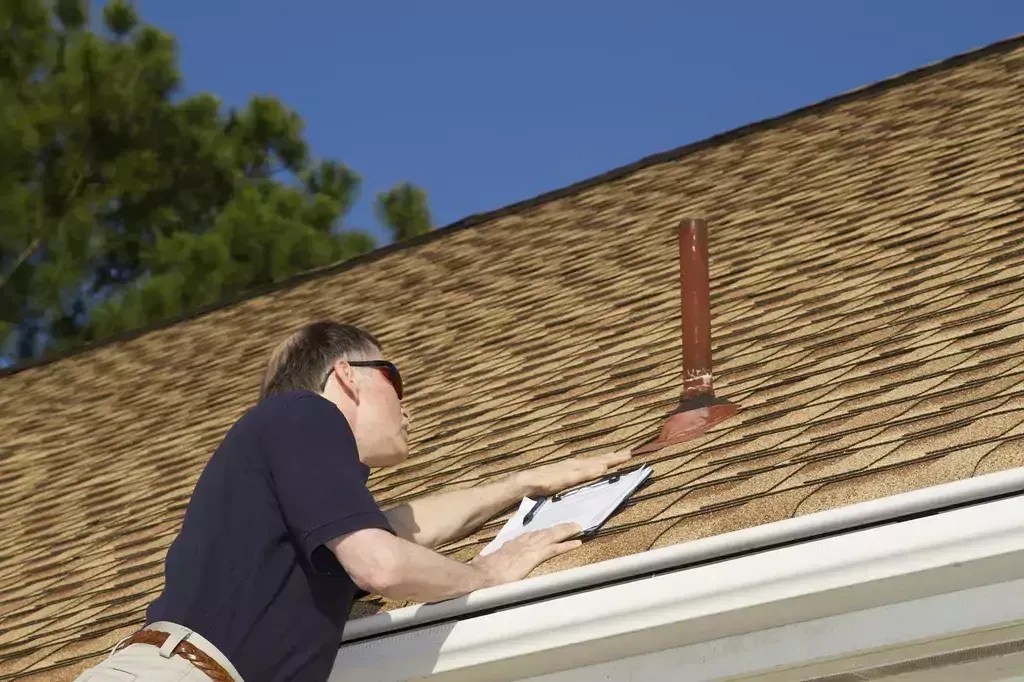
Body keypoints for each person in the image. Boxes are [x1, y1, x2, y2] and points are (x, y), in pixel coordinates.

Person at [75, 320, 631, 682]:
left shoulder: (294, 495)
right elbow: (383, 563)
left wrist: (526, 483)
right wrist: (486, 574)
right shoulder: (303, 413)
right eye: (395, 379)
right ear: (345, 375)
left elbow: (404, 529)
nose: (408, 408)